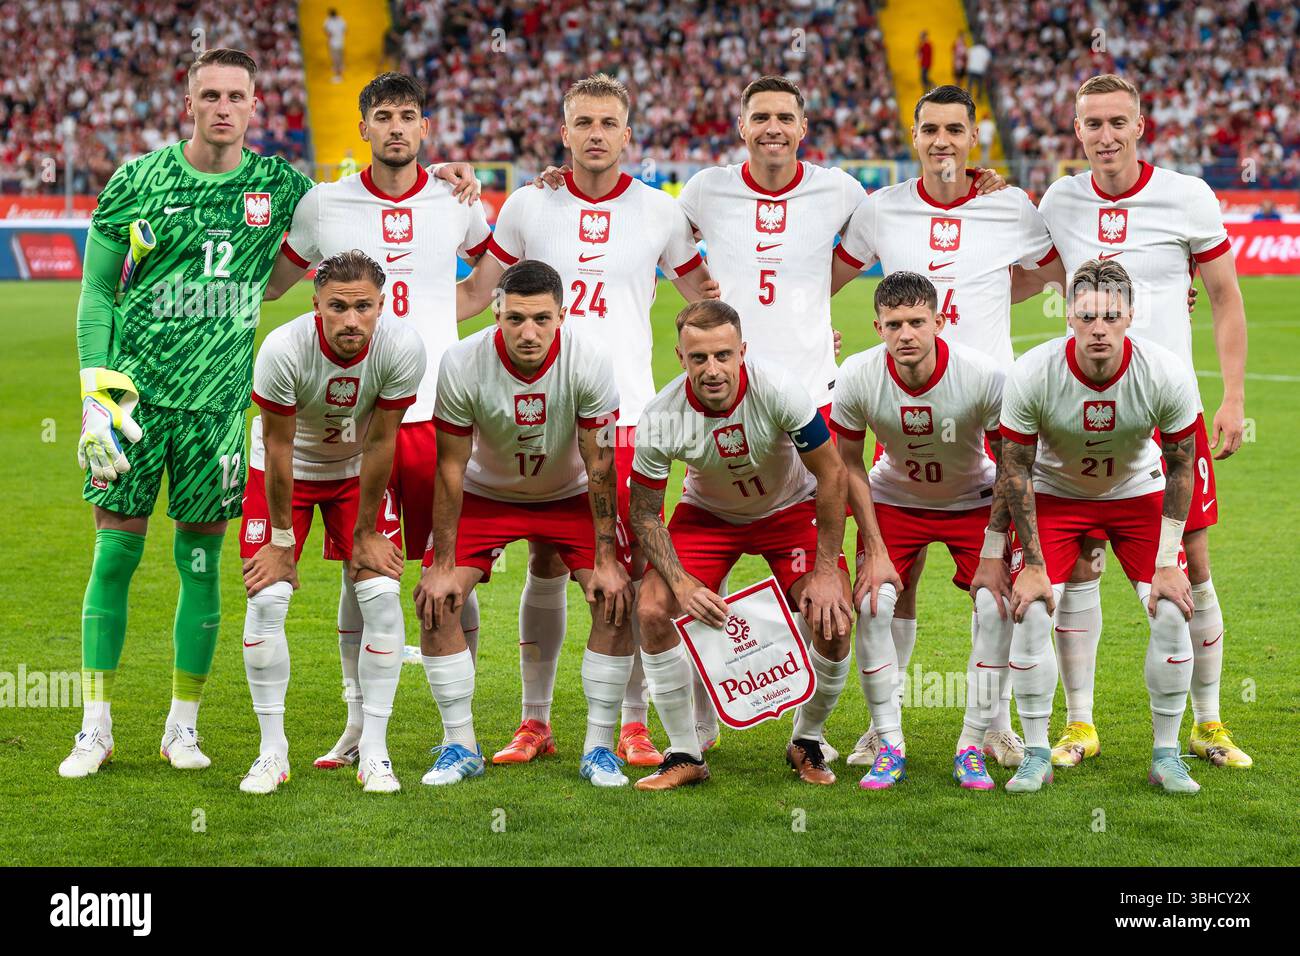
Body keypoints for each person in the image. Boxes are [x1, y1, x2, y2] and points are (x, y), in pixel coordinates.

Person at [62, 49, 314, 779]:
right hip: (132, 405)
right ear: (189, 103)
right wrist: (94, 396)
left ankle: (182, 727)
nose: (224, 108)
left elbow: (361, 200)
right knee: (115, 554)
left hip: (216, 412)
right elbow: (99, 293)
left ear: (256, 105)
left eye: (237, 95)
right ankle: (95, 728)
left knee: (201, 564)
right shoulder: (138, 180)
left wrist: (455, 181)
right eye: (211, 95)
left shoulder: (278, 184)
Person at [457, 73, 717, 769]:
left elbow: (707, 298)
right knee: (544, 557)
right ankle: (534, 721)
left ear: (627, 134)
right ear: (563, 131)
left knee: (625, 571)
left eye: (609, 123)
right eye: (583, 122)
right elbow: (479, 294)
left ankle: (632, 724)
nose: (596, 134)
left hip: (628, 411)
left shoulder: (662, 213)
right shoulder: (525, 206)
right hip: (536, 415)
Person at [1020, 73, 1250, 770]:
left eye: (1118, 121)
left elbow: (1225, 298)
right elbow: (1028, 278)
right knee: (1080, 562)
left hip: (1165, 414)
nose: (1106, 135)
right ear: (1077, 130)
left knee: (1192, 571)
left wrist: (1234, 397)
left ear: (1141, 124)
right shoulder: (1059, 200)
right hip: (1078, 417)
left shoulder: (1186, 195)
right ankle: (1079, 724)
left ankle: (1208, 724)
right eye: (1093, 124)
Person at [831, 84, 1058, 769]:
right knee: (894, 585)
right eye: (929, 128)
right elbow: (820, 278)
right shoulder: (880, 210)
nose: (941, 141)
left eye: (954, 129)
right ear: (914, 134)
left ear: (973, 134)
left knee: (1007, 588)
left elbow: (1056, 274)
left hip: (994, 412)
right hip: (902, 413)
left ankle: (993, 724)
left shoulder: (1011, 204)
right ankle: (883, 724)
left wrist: (989, 289)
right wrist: (821, 342)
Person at [263, 71, 485, 771]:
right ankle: (358, 727)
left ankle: (462, 730)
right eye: (383, 115)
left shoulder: (457, 199)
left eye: (408, 116)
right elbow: (273, 282)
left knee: (452, 567)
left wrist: (443, 327)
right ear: (362, 128)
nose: (395, 126)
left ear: (425, 128)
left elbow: (491, 276)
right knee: (363, 571)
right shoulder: (324, 203)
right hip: (355, 424)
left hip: (440, 414)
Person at [414, 260, 637, 789]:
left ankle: (599, 747)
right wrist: (442, 564)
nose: (528, 332)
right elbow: (449, 465)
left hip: (570, 492)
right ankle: (459, 744)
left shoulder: (590, 359)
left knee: (615, 595)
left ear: (563, 314)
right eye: (515, 319)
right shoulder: (462, 361)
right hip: (486, 493)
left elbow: (600, 462)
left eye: (541, 319)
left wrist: (606, 560)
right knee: (435, 599)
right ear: (497, 314)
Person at [628, 300, 853, 791]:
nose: (713, 370)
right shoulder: (662, 414)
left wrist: (828, 567)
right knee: (651, 608)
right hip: (709, 517)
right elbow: (644, 513)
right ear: (680, 357)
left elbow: (832, 472)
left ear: (742, 352)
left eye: (724, 356)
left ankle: (807, 741)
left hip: (788, 510)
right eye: (699, 358)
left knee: (833, 615)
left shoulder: (778, 389)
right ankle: (685, 753)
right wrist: (682, 584)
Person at [998, 258, 1203, 794]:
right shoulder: (1033, 372)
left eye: (1111, 316)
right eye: (1087, 316)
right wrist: (1034, 565)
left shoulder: (1164, 371)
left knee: (1173, 611)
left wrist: (1165, 562)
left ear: (1130, 315)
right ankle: (1036, 751)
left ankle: (1166, 754)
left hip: (1136, 493)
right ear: (1068, 315)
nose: (1098, 328)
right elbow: (1014, 468)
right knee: (1032, 611)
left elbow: (1182, 465)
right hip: (1057, 495)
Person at [239, 251, 424, 794]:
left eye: (363, 307)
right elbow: (277, 447)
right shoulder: (284, 348)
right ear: (315, 303)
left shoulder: (402, 346)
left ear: (380, 305)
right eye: (338, 306)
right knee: (267, 597)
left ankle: (374, 750)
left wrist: (366, 532)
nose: (350, 319)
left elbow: (384, 439)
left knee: (383, 598)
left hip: (354, 468)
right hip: (286, 469)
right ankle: (272, 751)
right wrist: (279, 540)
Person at [830, 271, 1012, 791]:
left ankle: (974, 742)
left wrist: (996, 551)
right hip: (895, 497)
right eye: (894, 324)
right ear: (878, 327)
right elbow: (850, 466)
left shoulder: (981, 374)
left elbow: (1010, 467)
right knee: (872, 602)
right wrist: (875, 550)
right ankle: (887, 740)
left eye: (916, 322)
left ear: (939, 321)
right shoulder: (858, 373)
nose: (906, 333)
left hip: (972, 498)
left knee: (996, 605)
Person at [326, 9, 347, 83]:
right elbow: (345, 30)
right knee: (340, 59)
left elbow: (328, 33)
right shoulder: (341, 19)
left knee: (336, 60)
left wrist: (328, 41)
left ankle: (338, 77)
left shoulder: (329, 21)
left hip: (334, 43)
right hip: (341, 42)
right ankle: (340, 70)